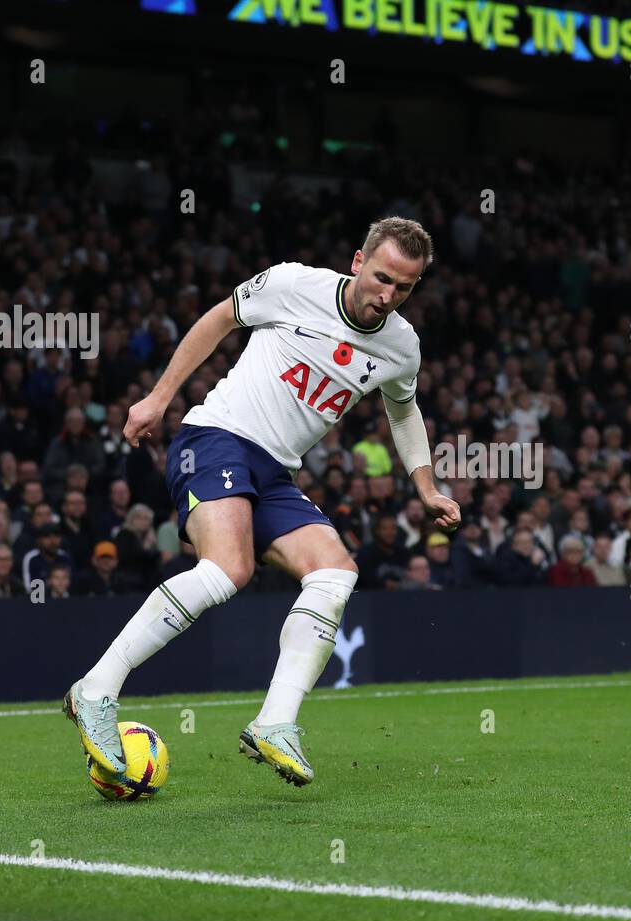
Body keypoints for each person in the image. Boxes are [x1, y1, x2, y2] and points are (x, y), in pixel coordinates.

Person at [65, 217, 460, 787]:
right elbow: (220, 318)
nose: (387, 296)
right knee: (229, 569)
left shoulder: (402, 347)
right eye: (381, 278)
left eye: (404, 288)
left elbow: (403, 410)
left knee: (336, 572)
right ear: (357, 260)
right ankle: (96, 688)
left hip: (274, 472)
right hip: (214, 437)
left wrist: (425, 487)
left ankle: (275, 722)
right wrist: (157, 398)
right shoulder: (292, 284)